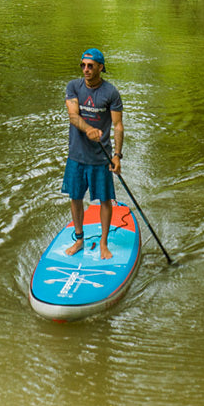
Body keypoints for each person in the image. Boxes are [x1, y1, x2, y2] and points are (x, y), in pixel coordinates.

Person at [63, 47, 124, 259]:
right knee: (75, 197)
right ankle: (79, 239)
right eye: (83, 65)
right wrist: (88, 128)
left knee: (105, 199)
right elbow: (73, 115)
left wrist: (117, 155)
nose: (86, 69)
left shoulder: (111, 92)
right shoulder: (73, 87)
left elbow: (117, 126)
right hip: (76, 156)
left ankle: (104, 244)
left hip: (101, 157)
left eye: (90, 66)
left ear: (101, 67)